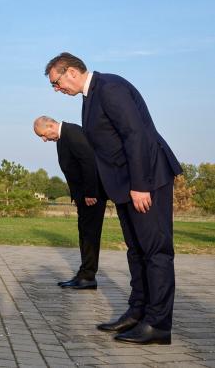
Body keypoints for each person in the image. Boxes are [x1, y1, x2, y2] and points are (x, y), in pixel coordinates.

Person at [45, 52, 182, 345]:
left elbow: (136, 136)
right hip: (125, 185)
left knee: (155, 252)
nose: (57, 90)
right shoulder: (88, 98)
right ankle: (137, 312)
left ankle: (158, 324)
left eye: (56, 83)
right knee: (136, 251)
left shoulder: (109, 88)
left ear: (70, 71)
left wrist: (140, 184)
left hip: (146, 181)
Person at [34, 116, 107, 289]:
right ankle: (84, 274)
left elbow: (88, 161)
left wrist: (90, 192)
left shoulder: (72, 132)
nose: (44, 140)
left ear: (51, 125)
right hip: (83, 197)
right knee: (84, 234)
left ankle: (88, 277)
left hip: (92, 196)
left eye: (43, 135)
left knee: (90, 235)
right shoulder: (62, 138)